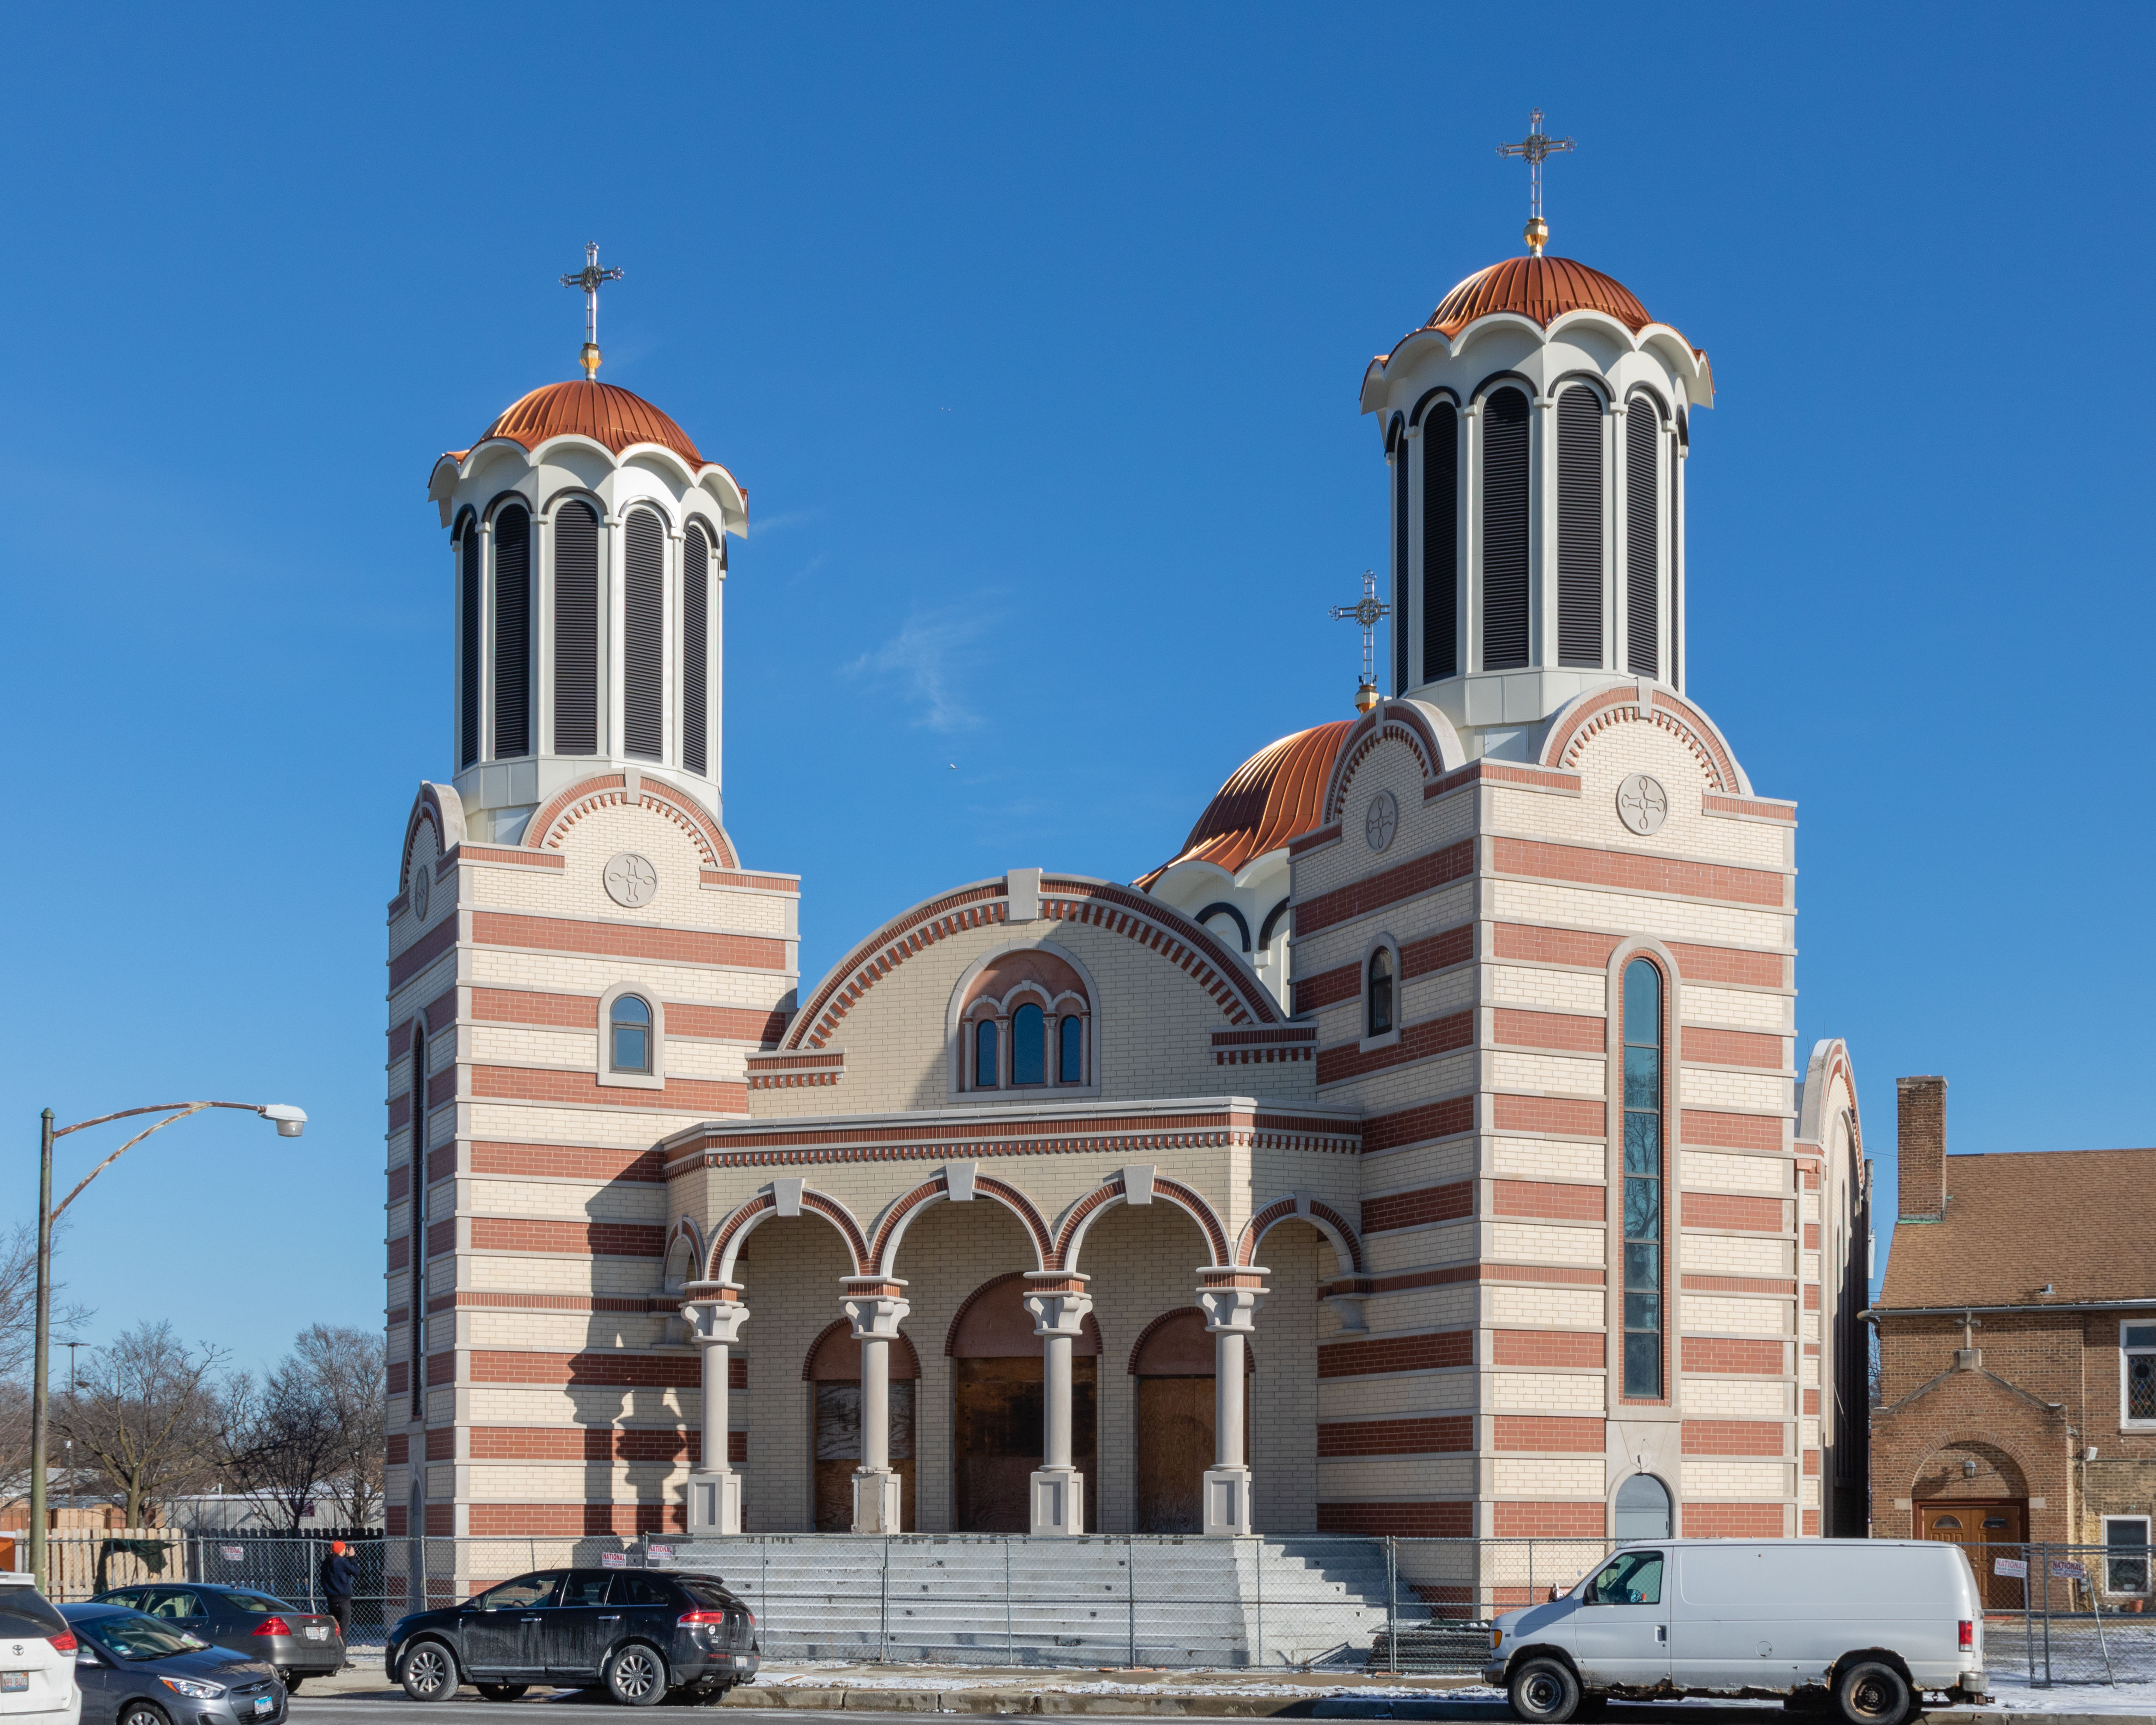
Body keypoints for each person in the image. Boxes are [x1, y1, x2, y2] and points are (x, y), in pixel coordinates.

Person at [319, 1539, 358, 1667]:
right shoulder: (341, 1561)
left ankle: (331, 1658)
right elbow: (357, 1572)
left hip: (331, 1599)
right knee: (343, 1630)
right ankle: (342, 1660)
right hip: (343, 1600)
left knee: (334, 1630)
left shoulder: (326, 1563)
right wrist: (352, 1558)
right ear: (342, 1550)